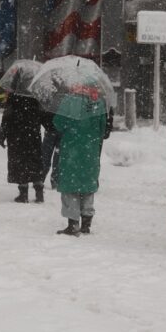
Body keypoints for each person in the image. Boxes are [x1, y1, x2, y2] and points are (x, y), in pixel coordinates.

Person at [52, 92, 108, 236]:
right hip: (91, 149)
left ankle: (73, 224)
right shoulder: (99, 102)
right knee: (88, 185)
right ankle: (86, 224)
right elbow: (104, 128)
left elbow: (58, 124)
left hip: (72, 148)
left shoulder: (69, 100)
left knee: (70, 186)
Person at [0, 91, 46, 203]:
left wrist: (2, 135)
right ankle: (39, 192)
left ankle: (23, 193)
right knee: (35, 161)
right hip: (33, 134)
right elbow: (43, 115)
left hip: (16, 135)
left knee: (20, 162)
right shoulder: (36, 94)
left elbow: (7, 116)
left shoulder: (14, 95)